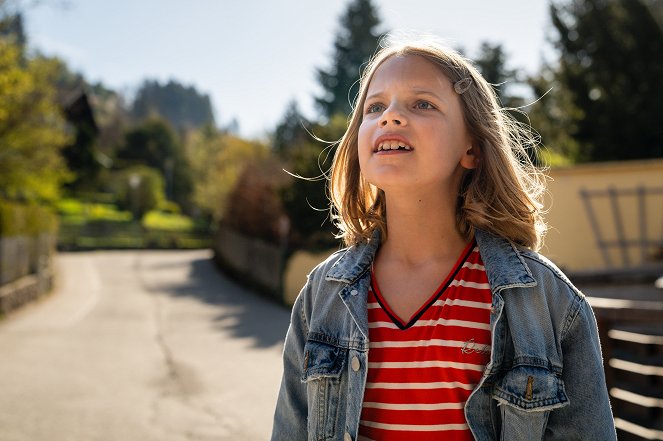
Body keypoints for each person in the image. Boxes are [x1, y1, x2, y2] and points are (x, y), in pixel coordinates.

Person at [271, 35, 616, 441]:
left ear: (471, 148)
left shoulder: (548, 301)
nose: (391, 116)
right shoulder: (321, 296)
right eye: (375, 106)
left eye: (422, 104)